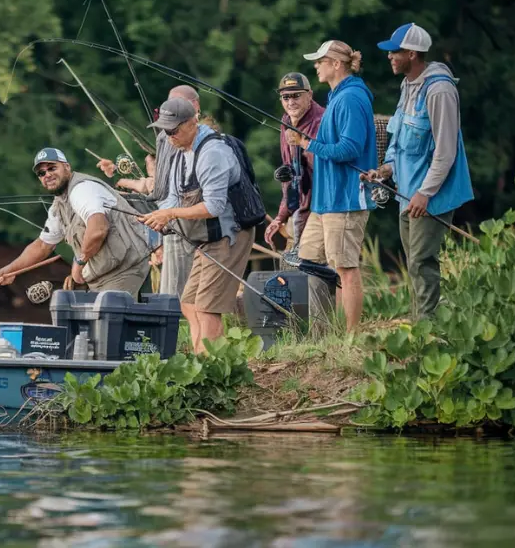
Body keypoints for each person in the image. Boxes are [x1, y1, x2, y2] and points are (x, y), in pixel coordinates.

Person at [365, 22, 474, 319]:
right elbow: (401, 142)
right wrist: (385, 170)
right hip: (406, 192)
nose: (390, 57)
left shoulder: (439, 90)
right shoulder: (407, 85)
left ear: (412, 54)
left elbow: (446, 151)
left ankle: (426, 331)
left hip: (430, 195)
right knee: (413, 261)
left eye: (395, 52)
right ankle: (421, 323)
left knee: (423, 261)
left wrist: (425, 193)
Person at [138, 97, 255, 354]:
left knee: (207, 306)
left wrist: (170, 214)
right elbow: (172, 196)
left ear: (193, 122)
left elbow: (213, 206)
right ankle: (202, 360)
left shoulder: (211, 153)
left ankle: (214, 368)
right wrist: (160, 217)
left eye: (174, 129)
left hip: (228, 236)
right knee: (189, 303)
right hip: (207, 239)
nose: (169, 136)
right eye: (165, 130)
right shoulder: (183, 151)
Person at [286, 40, 378, 333]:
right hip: (325, 202)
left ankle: (349, 337)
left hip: (346, 199)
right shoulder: (337, 96)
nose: (316, 66)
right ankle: (324, 332)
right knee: (309, 260)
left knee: (346, 270)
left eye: (320, 61)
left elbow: (350, 149)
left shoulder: (351, 98)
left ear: (336, 64)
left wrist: (306, 143)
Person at [0, 147, 151, 297]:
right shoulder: (58, 206)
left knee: (106, 321)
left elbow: (98, 229)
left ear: (67, 167)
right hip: (105, 274)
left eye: (52, 168)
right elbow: (42, 246)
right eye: (41, 173)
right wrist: (11, 270)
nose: (47, 174)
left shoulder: (81, 190)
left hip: (128, 266)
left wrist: (79, 262)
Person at [95, 85, 203, 299]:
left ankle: (178, 328)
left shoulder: (199, 137)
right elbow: (157, 183)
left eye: (178, 105)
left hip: (188, 223)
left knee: (178, 295)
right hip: (168, 222)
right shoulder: (167, 135)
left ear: (194, 106)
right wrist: (117, 175)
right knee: (170, 291)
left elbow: (173, 184)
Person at [264, 72, 326, 250]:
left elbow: (325, 167)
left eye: (296, 96)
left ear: (310, 95)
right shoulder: (286, 121)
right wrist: (280, 217)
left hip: (322, 208)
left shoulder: (322, 121)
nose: (291, 102)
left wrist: (303, 146)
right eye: (285, 97)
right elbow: (292, 176)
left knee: (318, 266)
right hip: (299, 207)